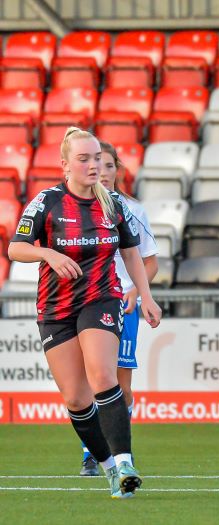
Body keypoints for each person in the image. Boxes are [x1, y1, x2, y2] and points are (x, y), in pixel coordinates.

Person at [8, 127, 162, 498]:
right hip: (56, 307)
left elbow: (130, 253)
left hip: (101, 298)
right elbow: (16, 248)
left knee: (103, 374)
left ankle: (125, 461)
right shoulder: (46, 202)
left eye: (97, 158)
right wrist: (48, 253)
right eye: (84, 159)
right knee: (76, 399)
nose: (94, 165)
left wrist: (147, 295)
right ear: (65, 165)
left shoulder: (114, 203)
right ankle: (109, 468)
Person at [78, 141, 159, 476]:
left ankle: (122, 451)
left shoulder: (132, 210)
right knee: (91, 382)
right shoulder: (75, 208)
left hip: (124, 307)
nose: (104, 171)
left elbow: (149, 263)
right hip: (87, 304)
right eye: (99, 163)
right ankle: (91, 453)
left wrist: (135, 292)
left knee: (120, 385)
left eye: (110, 165)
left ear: (117, 170)